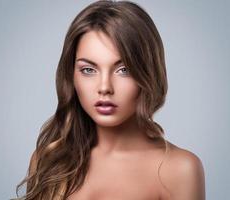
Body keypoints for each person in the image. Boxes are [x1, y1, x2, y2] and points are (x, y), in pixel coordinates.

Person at [13, 0, 205, 199]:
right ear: (71, 76)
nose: (104, 87)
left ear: (148, 73)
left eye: (124, 70)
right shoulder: (48, 160)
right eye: (88, 70)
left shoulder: (179, 169)